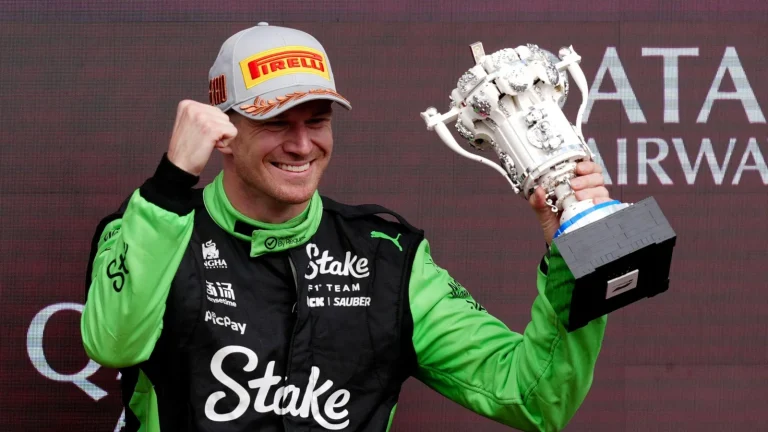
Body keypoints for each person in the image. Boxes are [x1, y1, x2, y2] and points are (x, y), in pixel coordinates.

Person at [81, 22, 612, 432]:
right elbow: (113, 344)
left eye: (317, 120)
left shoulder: (387, 256)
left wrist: (576, 252)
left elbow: (535, 398)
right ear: (224, 132)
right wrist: (169, 186)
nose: (302, 144)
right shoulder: (154, 224)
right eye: (274, 122)